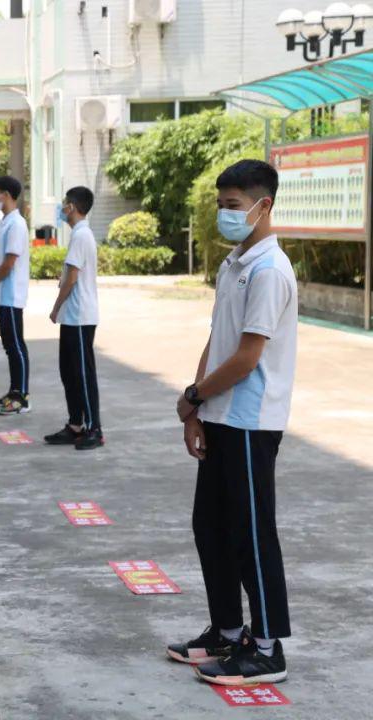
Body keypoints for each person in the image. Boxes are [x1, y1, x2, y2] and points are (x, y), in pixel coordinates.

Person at [168, 159, 295, 686]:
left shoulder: (268, 269)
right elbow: (217, 339)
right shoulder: (236, 263)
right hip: (221, 413)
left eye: (233, 206)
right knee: (211, 528)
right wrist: (196, 407)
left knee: (250, 532)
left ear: (263, 205)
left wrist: (196, 394)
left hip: (249, 420)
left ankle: (266, 647)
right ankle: (226, 630)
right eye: (221, 205)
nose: (225, 215)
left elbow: (246, 358)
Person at [44, 187, 104, 450]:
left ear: (73, 207)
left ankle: (94, 428)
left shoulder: (82, 235)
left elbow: (71, 278)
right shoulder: (78, 235)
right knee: (69, 372)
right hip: (73, 316)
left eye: (65, 204)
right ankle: (75, 424)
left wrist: (56, 307)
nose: (62, 208)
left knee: (82, 373)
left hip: (79, 316)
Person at [0, 175, 31, 415]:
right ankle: (14, 391)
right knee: (10, 346)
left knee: (15, 346)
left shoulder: (16, 224)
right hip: (2, 295)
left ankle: (21, 396)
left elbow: (9, 262)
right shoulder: (2, 224)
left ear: (8, 195)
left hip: (11, 295)